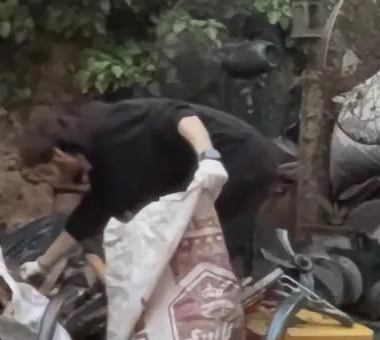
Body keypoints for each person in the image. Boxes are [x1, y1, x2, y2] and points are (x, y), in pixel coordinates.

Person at [16, 98, 279, 280]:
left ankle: (227, 320)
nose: (52, 182)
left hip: (238, 156)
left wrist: (207, 155)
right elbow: (90, 215)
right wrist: (42, 264)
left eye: (47, 173)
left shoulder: (110, 127)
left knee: (212, 251)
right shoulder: (102, 163)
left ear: (59, 154)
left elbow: (179, 114)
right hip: (200, 176)